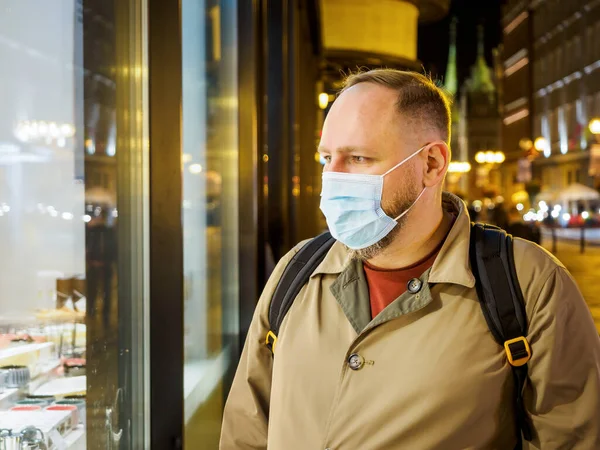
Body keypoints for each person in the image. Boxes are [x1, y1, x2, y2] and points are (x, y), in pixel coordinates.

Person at [220, 70, 600, 449]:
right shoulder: (297, 271)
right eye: (326, 158)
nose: (332, 178)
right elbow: (246, 429)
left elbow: (572, 437)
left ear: (432, 164)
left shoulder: (528, 283)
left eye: (358, 157)